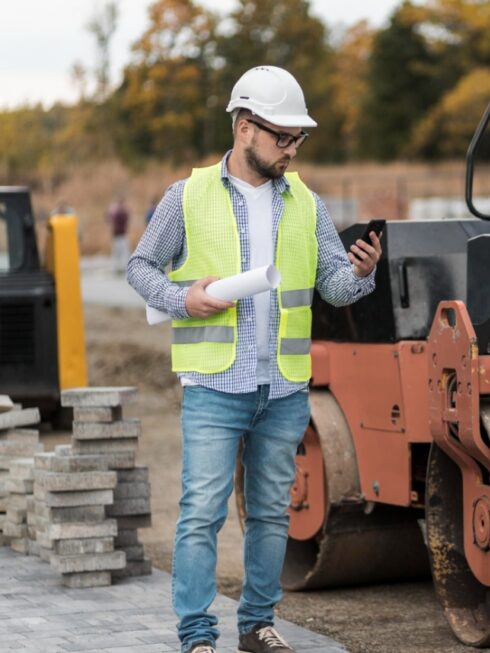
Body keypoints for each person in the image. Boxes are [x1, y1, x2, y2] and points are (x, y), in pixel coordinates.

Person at [126, 65, 382, 653]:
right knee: (200, 515)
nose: (292, 149)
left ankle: (257, 626)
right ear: (244, 128)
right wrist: (180, 298)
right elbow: (140, 267)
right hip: (215, 383)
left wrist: (360, 273)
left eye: (298, 139)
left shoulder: (306, 204)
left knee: (271, 515)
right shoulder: (186, 195)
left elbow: (333, 289)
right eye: (282, 137)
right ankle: (196, 636)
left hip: (284, 388)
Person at [107, 196, 130, 272]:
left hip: (122, 235)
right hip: (117, 236)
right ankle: (115, 268)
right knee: (116, 253)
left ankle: (123, 267)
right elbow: (108, 219)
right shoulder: (117, 213)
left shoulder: (120, 213)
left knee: (124, 252)